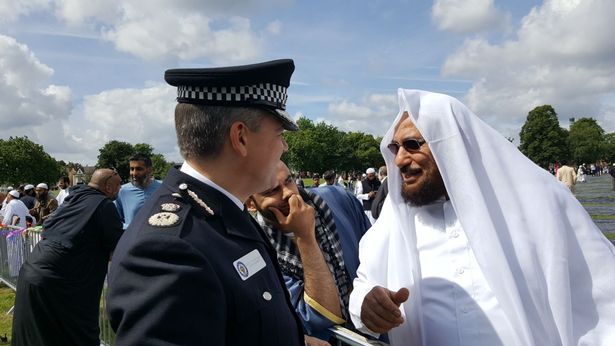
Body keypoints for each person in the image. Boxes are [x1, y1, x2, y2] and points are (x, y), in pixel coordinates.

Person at [349, 89, 615, 345]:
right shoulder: (396, 219)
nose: (399, 160)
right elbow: (364, 286)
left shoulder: (539, 203)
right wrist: (367, 307)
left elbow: (603, 301)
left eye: (412, 145)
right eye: (395, 148)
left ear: (452, 144)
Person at [107, 59, 305, 345]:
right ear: (240, 138)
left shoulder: (217, 213)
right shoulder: (168, 251)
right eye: (279, 134)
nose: (284, 146)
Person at [250, 161, 370, 341]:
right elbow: (320, 316)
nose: (289, 193)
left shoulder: (339, 198)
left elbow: (375, 260)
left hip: (371, 331)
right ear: (251, 203)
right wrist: (305, 236)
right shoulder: (255, 248)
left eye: (289, 180)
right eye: (271, 191)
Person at [11, 169, 123, 346]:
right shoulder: (104, 205)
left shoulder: (72, 199)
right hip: (60, 284)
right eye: (118, 185)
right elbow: (117, 247)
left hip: (32, 271)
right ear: (108, 187)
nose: (120, 189)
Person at [114, 153, 162, 229]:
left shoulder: (163, 187)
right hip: (132, 239)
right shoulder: (122, 191)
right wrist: (131, 228)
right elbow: (116, 220)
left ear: (150, 170)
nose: (134, 173)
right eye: (132, 169)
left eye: (139, 169)